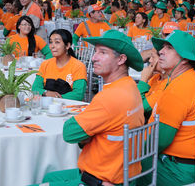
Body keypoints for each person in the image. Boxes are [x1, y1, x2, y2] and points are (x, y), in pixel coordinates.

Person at [39, 30, 145, 186]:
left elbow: (69, 133)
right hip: (122, 172)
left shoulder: (110, 97)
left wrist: (87, 135)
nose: (94, 57)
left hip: (101, 179)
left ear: (121, 59)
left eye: (102, 52)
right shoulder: (131, 87)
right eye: (95, 51)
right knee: (50, 178)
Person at [144, 30, 195, 185]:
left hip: (175, 169)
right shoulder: (190, 79)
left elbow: (159, 141)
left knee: (120, 165)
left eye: (169, 48)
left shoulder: (179, 88)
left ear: (185, 59)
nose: (160, 51)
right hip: (192, 164)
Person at [32, 29, 87, 101]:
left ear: (67, 45)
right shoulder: (45, 64)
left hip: (70, 107)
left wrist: (55, 98)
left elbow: (78, 94)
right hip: (47, 107)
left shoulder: (78, 66)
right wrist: (46, 93)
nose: (52, 46)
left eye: (57, 42)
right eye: (51, 42)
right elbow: (35, 88)